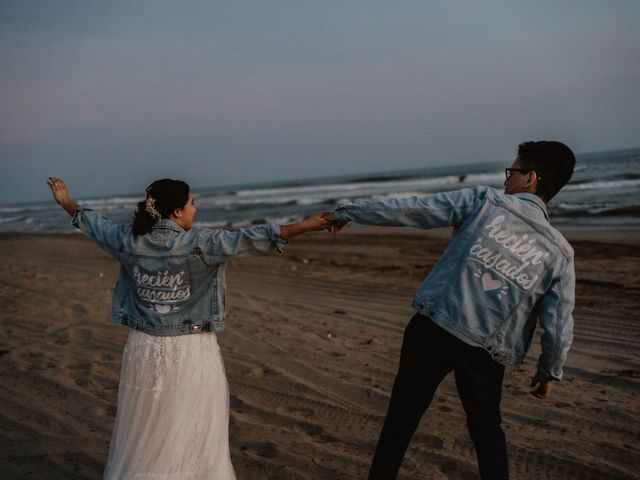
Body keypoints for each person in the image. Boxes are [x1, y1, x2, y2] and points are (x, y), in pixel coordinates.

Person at [47, 177, 333, 480]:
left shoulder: (127, 239)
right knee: (191, 425)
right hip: (190, 348)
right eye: (191, 204)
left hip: (143, 347)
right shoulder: (203, 242)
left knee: (149, 426)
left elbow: (93, 223)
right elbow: (254, 238)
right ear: (176, 212)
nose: (195, 209)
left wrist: (66, 201)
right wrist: (307, 225)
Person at [327, 141, 576, 480]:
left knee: (401, 419)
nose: (506, 179)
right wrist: (549, 372)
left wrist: (349, 211)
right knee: (487, 429)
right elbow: (559, 323)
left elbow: (413, 209)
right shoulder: (559, 252)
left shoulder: (483, 202)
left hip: (434, 327)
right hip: (486, 351)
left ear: (530, 177)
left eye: (512, 172)